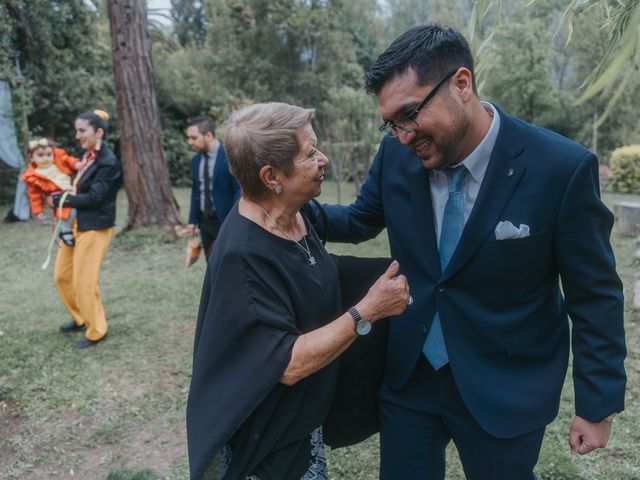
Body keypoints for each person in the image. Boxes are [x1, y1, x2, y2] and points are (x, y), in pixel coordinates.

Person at [311, 24, 627, 479]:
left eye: (410, 114)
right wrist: (289, 209)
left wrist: (597, 405)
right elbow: (361, 219)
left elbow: (594, 294)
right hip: (410, 379)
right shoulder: (396, 156)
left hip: (506, 386)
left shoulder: (561, 168)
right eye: (391, 123)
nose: (401, 135)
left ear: (462, 84)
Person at [186, 102, 410, 480]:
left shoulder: (296, 214)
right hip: (269, 437)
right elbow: (288, 364)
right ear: (272, 176)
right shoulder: (245, 256)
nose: (322, 159)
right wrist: (367, 310)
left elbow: (339, 243)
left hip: (304, 420)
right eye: (310, 153)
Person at [51, 110, 122, 349]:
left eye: (82, 130)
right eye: (77, 130)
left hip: (95, 227)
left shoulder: (108, 162)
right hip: (75, 225)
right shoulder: (87, 156)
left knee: (84, 282)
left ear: (99, 132)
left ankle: (97, 330)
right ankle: (81, 317)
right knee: (62, 276)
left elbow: (95, 198)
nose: (77, 135)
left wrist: (63, 199)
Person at [186, 116, 240, 258]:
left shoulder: (230, 156)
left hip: (225, 221)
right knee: (210, 263)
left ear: (208, 135)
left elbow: (238, 189)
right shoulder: (196, 160)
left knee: (228, 263)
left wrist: (233, 219)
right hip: (205, 223)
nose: (190, 142)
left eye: (193, 137)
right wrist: (192, 221)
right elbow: (196, 190)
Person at [22, 137, 84, 246]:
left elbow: (68, 159)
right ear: (31, 158)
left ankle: (71, 229)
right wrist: (38, 211)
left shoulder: (58, 159)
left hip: (71, 189)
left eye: (49, 154)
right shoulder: (33, 175)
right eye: (40, 155)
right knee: (70, 211)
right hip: (57, 196)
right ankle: (65, 230)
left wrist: (76, 164)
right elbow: (34, 195)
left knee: (78, 209)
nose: (46, 158)